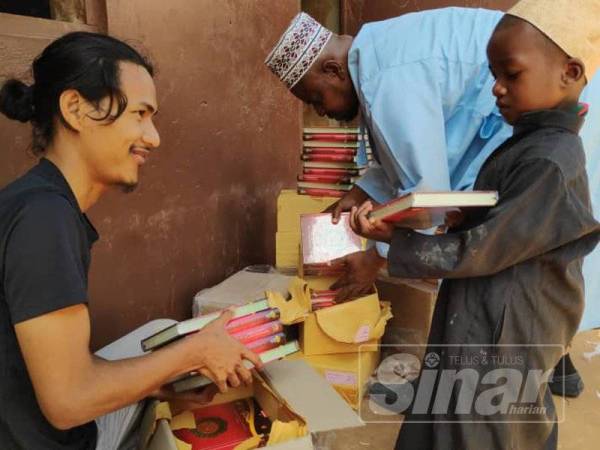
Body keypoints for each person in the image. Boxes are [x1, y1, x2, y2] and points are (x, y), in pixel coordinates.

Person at [265, 7, 599, 396]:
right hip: (543, 107)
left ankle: (453, 388)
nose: (322, 111)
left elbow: (425, 198)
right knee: (517, 263)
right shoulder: (378, 51)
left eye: (316, 99)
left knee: (490, 263)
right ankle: (552, 368)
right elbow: (406, 154)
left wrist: (375, 261)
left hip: (547, 112)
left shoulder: (386, 80)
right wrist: (359, 193)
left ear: (334, 72)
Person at [347, 1, 600, 448]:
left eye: (511, 74)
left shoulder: (549, 161)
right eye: (494, 75)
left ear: (570, 71)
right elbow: (506, 225)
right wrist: (459, 217)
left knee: (486, 423)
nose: (497, 89)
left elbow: (483, 249)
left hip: (508, 327)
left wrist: (397, 242)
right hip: (487, 312)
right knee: (456, 412)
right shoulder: (527, 144)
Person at [0, 32, 262, 450]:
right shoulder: (43, 220)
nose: (153, 137)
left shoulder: (35, 201)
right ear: (76, 109)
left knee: (162, 333)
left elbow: (50, 365)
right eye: (140, 114)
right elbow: (68, 400)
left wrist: (161, 384)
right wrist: (194, 354)